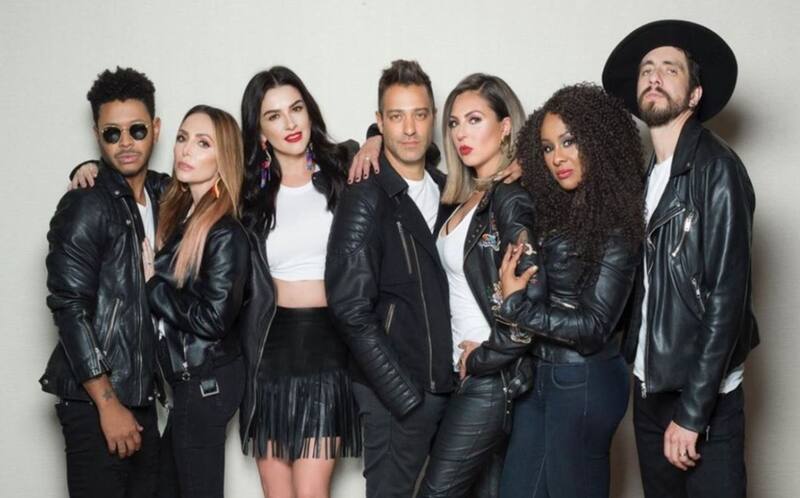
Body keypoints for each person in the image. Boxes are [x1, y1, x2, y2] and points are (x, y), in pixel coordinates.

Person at [602, 20, 759, 498]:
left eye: (670, 69)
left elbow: (727, 301)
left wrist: (692, 414)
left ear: (694, 94)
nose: (654, 76)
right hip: (649, 387)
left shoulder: (718, 169)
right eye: (646, 69)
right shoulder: (647, 177)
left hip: (702, 398)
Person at [495, 83, 644, 498]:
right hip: (542, 375)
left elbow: (594, 327)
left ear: (597, 141)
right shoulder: (559, 208)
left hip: (584, 379)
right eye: (546, 148)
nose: (557, 157)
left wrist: (516, 307)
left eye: (568, 141)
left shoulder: (617, 222)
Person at [326, 60, 454, 498]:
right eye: (397, 116)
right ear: (379, 122)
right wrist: (402, 395)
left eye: (420, 114)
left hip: (448, 385)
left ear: (433, 117)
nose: (410, 129)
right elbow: (348, 306)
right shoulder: (366, 193)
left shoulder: (449, 189)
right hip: (396, 395)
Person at [237, 66, 363, 498]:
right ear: (260, 132)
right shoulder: (248, 193)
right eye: (274, 116)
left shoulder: (343, 168)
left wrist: (375, 139)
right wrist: (91, 169)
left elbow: (406, 154)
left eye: (296, 108)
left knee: (311, 491)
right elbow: (183, 181)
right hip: (269, 351)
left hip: (328, 347)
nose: (290, 123)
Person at [41, 67, 166, 497]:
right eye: (113, 133)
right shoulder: (86, 204)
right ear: (97, 134)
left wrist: (358, 147)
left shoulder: (164, 195)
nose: (126, 142)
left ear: (155, 129)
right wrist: (107, 403)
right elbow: (69, 307)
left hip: (141, 395)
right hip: (97, 400)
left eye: (136, 130)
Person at [417, 73, 535, 498]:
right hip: (464, 374)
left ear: (505, 126)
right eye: (454, 123)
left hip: (490, 377)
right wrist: (375, 139)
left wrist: (486, 355)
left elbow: (530, 293)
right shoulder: (464, 198)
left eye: (474, 119)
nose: (461, 133)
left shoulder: (510, 197)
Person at [144, 104, 248, 498]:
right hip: (191, 381)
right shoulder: (183, 211)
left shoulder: (224, 232)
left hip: (205, 381)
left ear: (224, 158)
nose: (186, 150)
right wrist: (86, 168)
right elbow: (134, 175)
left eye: (203, 143)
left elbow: (213, 318)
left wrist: (153, 285)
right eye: (182, 138)